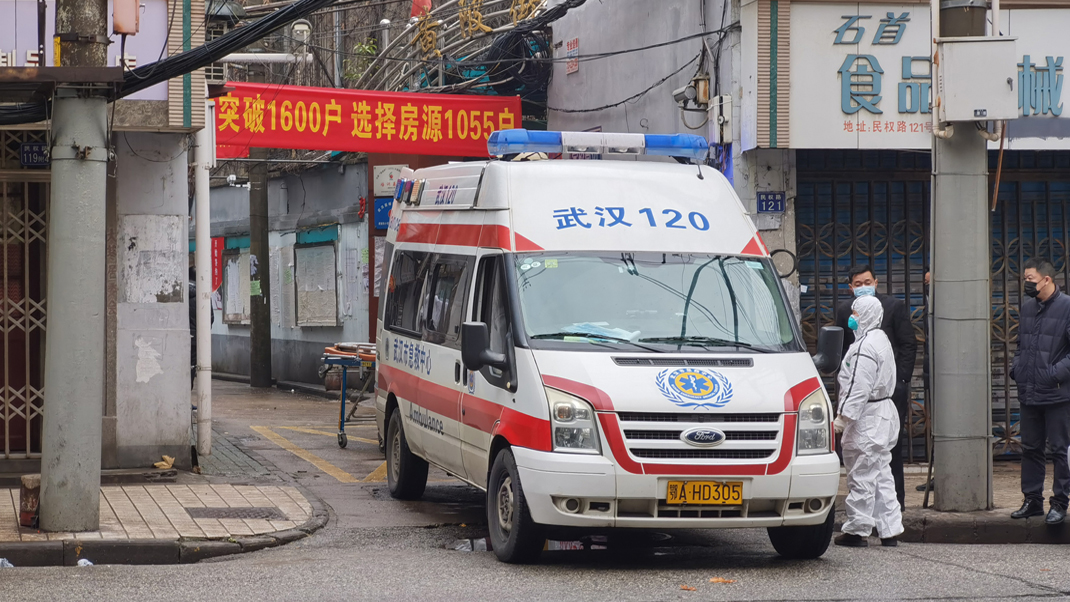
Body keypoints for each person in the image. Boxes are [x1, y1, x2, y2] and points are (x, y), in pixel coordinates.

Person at [835, 265, 918, 509]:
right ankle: (869, 508)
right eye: (858, 284)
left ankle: (895, 504)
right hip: (859, 394)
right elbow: (841, 349)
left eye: (867, 282)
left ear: (876, 282)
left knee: (889, 449)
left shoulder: (892, 307)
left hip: (887, 395)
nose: (863, 287)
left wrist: (899, 381)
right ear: (850, 287)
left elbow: (908, 344)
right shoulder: (846, 311)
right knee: (861, 453)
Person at [833, 295, 904, 547]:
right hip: (883, 414)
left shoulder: (864, 347)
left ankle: (857, 530)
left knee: (861, 473)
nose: (852, 317)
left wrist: (843, 418)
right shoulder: (880, 339)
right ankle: (890, 530)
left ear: (864, 315)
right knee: (882, 473)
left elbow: (857, 387)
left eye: (855, 313)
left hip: (868, 417)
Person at [1010, 258, 1070, 525]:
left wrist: (1054, 374)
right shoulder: (1027, 307)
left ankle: (1059, 503)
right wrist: (1017, 368)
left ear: (1047, 279)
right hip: (1029, 391)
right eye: (1025, 278)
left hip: (1057, 394)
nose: (1026, 283)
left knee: (1059, 450)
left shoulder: (1067, 306)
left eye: (1030, 279)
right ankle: (1032, 500)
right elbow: (1020, 344)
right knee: (1031, 448)